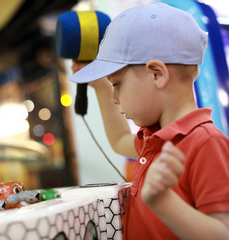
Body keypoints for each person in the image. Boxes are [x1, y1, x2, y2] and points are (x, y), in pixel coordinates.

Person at [70, 3, 229, 240]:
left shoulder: (206, 144)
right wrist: (102, 88)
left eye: (117, 85)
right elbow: (119, 139)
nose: (115, 98)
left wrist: (163, 201)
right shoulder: (155, 139)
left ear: (156, 73)